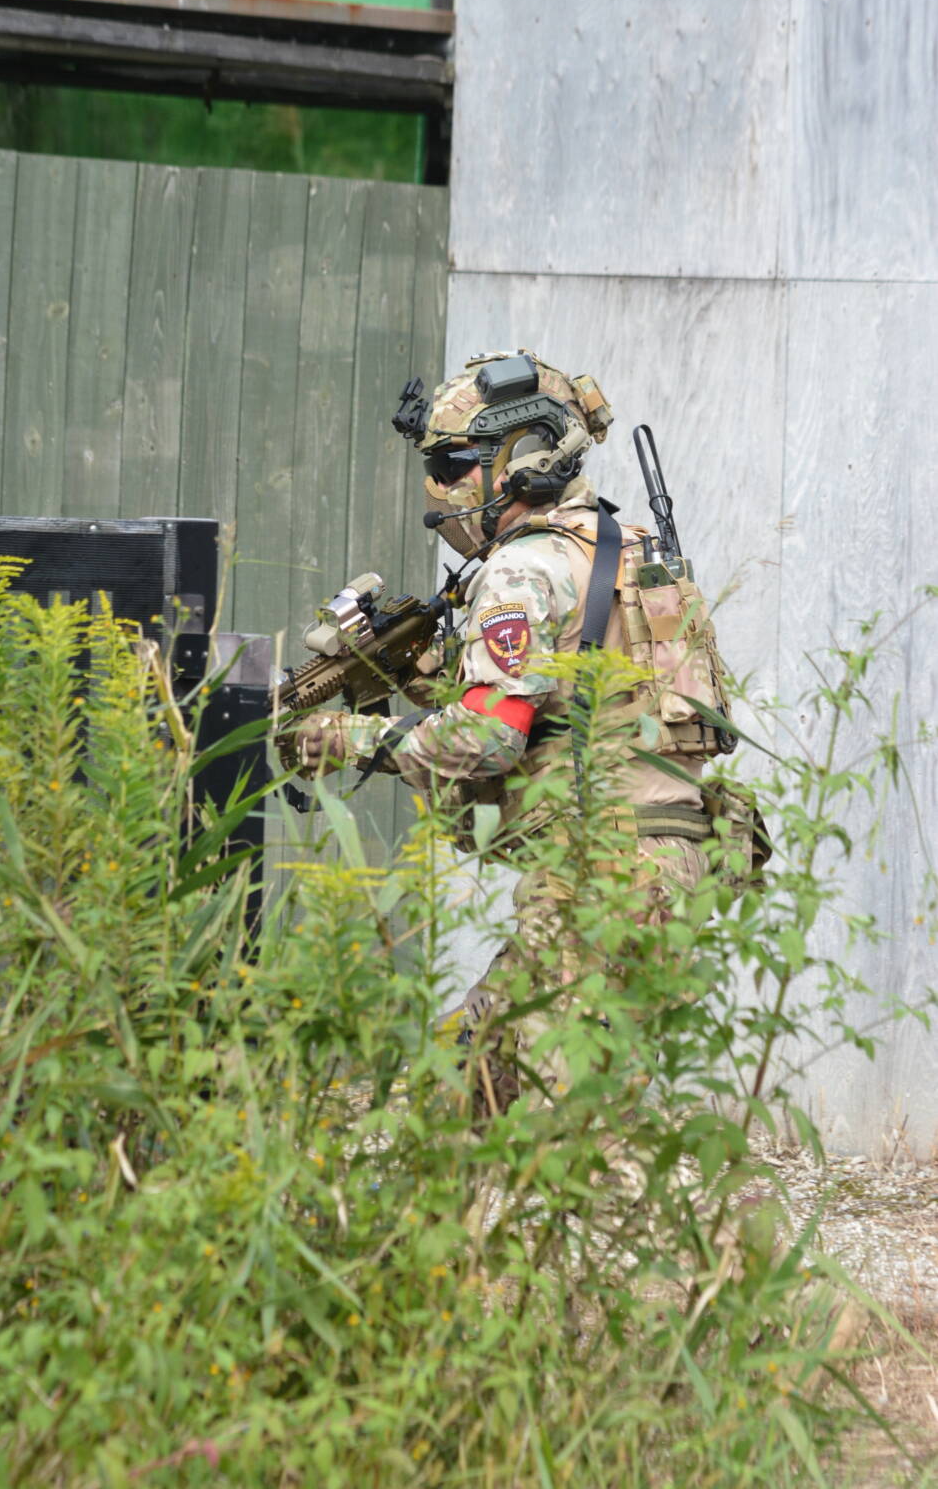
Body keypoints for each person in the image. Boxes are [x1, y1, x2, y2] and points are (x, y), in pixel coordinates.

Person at [278, 349, 735, 1113]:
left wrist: (349, 738)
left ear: (521, 457)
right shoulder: (628, 549)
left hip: (601, 871)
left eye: (454, 464)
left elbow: (487, 739)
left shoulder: (521, 570)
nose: (441, 489)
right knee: (473, 1086)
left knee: (561, 1122)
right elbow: (579, 709)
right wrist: (426, 675)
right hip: (670, 854)